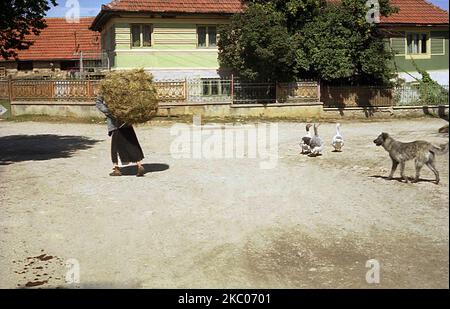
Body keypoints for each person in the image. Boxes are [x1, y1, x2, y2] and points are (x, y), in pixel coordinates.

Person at [96, 95, 145, 177]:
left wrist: (109, 111)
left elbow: (98, 102)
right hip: (126, 122)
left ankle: (116, 169)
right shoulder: (127, 89)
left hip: (116, 124)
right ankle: (139, 165)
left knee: (115, 147)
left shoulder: (105, 90)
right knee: (132, 144)